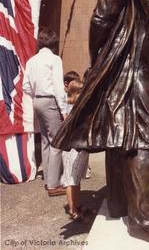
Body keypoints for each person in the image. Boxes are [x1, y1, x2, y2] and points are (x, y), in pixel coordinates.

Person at [52, 0, 149, 246]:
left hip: (132, 72)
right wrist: (99, 63)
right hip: (125, 72)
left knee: (120, 138)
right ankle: (143, 220)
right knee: (143, 143)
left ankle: (121, 203)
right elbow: (100, 19)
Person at [22, 29, 66, 196]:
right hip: (50, 101)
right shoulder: (55, 60)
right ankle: (53, 185)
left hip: (37, 101)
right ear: (54, 43)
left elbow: (26, 86)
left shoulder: (32, 61)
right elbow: (58, 87)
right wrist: (63, 110)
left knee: (46, 141)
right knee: (56, 142)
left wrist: (36, 94)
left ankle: (48, 178)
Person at [62, 79, 90, 223]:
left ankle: (77, 206)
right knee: (70, 180)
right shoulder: (70, 109)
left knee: (76, 178)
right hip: (71, 148)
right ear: (75, 93)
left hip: (79, 148)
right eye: (81, 92)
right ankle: (73, 211)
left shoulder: (78, 107)